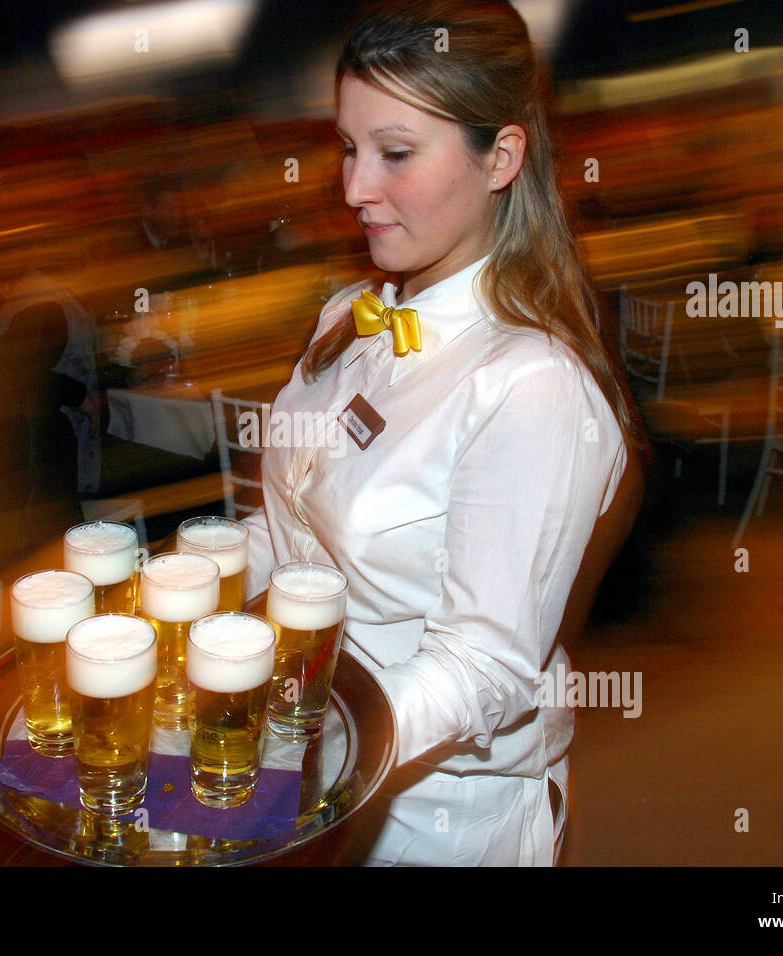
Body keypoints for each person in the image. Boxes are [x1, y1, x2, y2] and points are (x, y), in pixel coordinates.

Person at [241, 0, 647, 866]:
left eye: (395, 153)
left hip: (437, 823)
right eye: (348, 149)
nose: (354, 188)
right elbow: (292, 542)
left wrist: (306, 758)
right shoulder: (347, 316)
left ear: (500, 156)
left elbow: (484, 669)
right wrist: (163, 587)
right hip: (318, 785)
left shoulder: (531, 387)